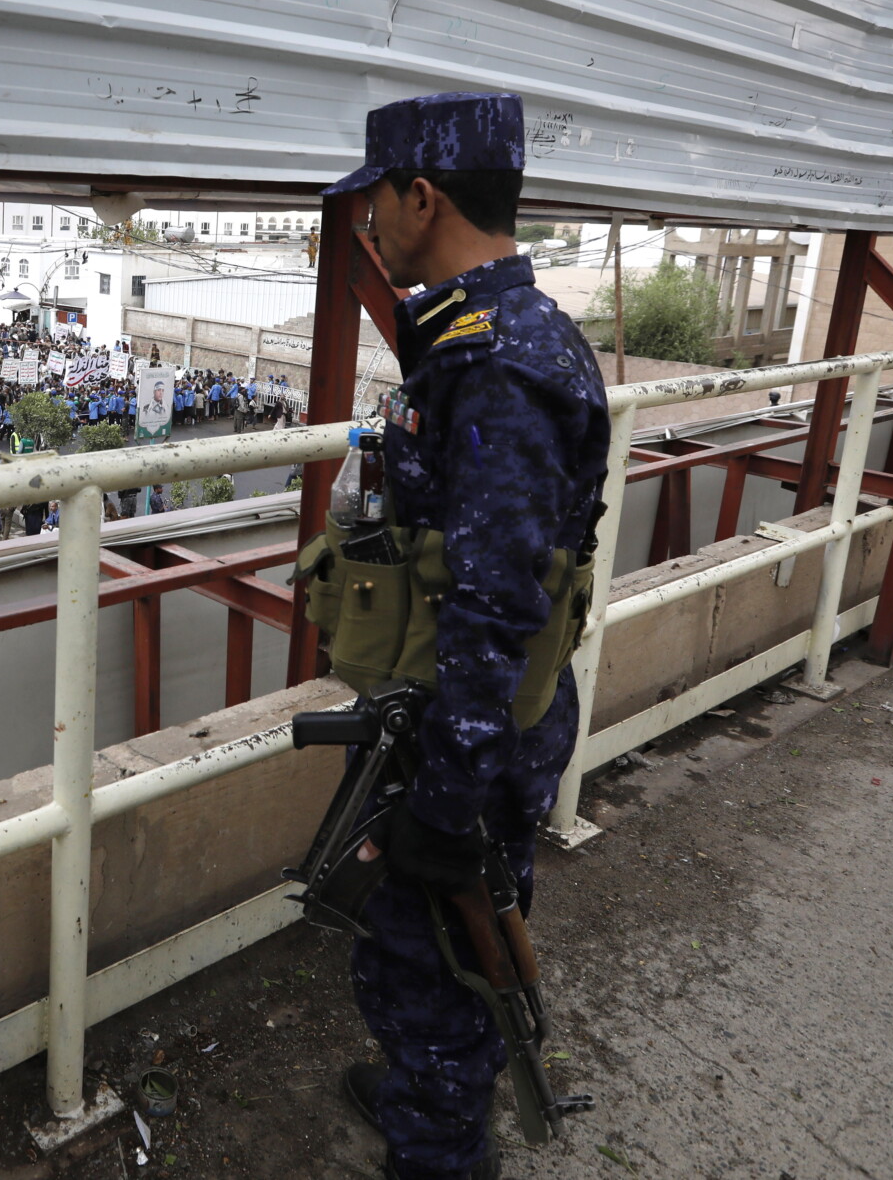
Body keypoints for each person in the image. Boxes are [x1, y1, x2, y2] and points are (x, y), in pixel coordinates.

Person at [318, 92, 611, 1180]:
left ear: (422, 194)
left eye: (376, 202)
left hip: (466, 726)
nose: (369, 225)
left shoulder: (500, 362)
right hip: (459, 708)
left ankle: (437, 1133)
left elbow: (495, 598)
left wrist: (445, 800)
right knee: (443, 953)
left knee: (430, 962)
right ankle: (423, 1092)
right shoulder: (496, 333)